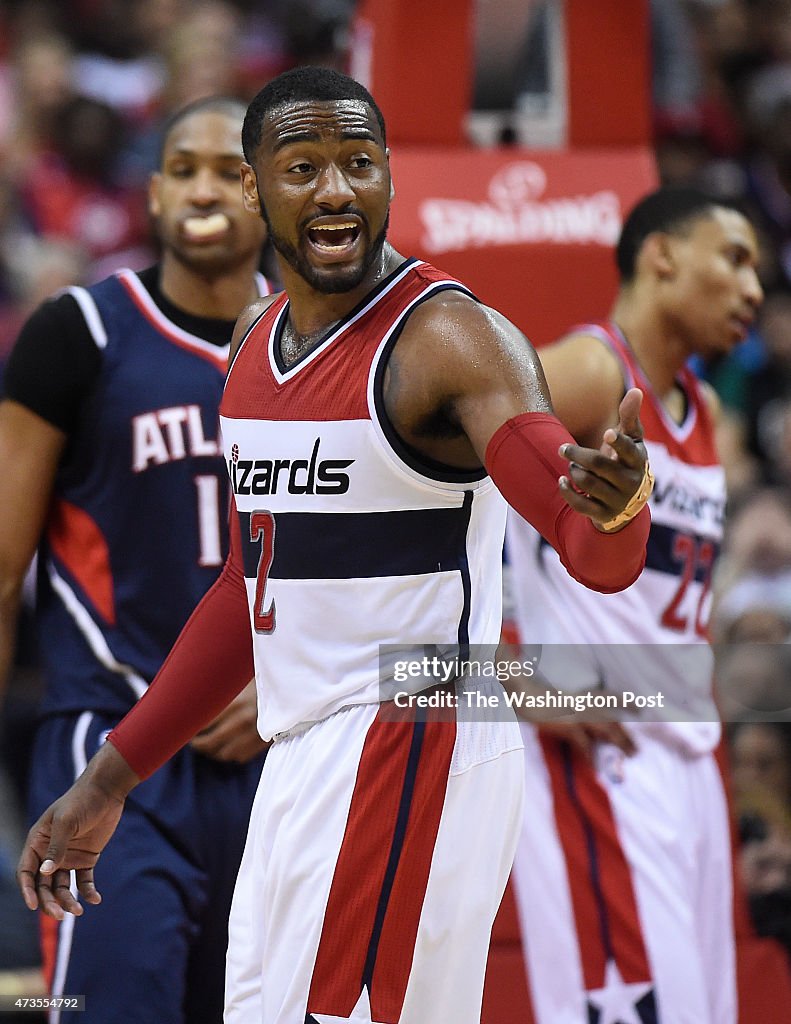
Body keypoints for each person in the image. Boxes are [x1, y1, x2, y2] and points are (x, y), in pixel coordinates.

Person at [16, 67, 652, 1024]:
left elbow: (591, 548)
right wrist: (109, 778)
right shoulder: (253, 345)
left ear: (390, 175)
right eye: (302, 165)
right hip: (306, 749)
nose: (335, 190)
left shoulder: (450, 338)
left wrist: (617, 506)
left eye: (358, 163)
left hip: (413, 728)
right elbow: (249, 586)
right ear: (253, 187)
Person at [0, 96, 273, 1023]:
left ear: (272, 193)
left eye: (232, 172)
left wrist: (280, 684)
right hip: (108, 739)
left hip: (278, 747)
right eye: (184, 169)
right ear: (154, 195)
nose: (205, 190)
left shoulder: (333, 354)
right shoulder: (77, 331)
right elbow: (3, 569)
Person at [504, 186, 763, 1024]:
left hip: (687, 752)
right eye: (733, 258)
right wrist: (505, 672)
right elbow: (440, 462)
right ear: (660, 257)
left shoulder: (707, 407)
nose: (753, 288)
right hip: (602, 749)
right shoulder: (592, 369)